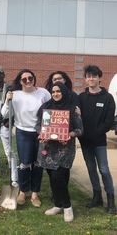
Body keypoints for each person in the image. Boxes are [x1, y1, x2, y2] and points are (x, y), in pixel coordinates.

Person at [2, 69, 51, 207]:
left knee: (38, 163)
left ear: (34, 78)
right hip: (23, 132)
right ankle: (23, 191)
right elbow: (4, 114)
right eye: (24, 79)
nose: (28, 81)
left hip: (40, 133)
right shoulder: (15, 95)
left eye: (30, 78)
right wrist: (7, 100)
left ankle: (35, 193)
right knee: (24, 163)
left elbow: (52, 110)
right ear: (20, 82)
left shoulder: (43, 93)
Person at [36, 82, 84, 222]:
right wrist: (41, 135)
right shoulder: (46, 107)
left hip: (65, 150)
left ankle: (67, 207)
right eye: (53, 92)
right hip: (48, 149)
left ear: (64, 92)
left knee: (58, 176)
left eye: (58, 91)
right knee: (52, 176)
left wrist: (70, 135)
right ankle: (58, 205)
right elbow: (38, 126)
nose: (56, 94)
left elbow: (80, 130)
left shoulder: (72, 109)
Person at [78, 65, 117, 214]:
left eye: (94, 76)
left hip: (99, 142)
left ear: (100, 78)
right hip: (85, 141)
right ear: (86, 79)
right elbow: (77, 117)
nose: (91, 79)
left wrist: (97, 132)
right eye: (88, 76)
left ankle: (111, 200)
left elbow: (108, 121)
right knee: (91, 169)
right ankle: (97, 197)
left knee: (104, 170)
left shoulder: (107, 98)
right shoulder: (81, 97)